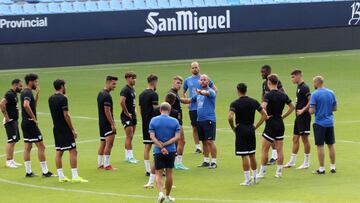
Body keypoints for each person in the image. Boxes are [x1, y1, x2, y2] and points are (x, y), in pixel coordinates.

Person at [48, 79, 88, 183]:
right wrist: (73, 130)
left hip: (56, 128)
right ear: (62, 86)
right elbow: (66, 115)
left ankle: (61, 177)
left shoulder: (50, 98)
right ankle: (75, 177)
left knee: (59, 151)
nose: (66, 88)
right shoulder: (63, 98)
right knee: (73, 151)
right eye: (65, 86)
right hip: (65, 128)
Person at [228, 83, 267, 186]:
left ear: (238, 90)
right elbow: (264, 115)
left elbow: (230, 117)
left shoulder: (235, 103)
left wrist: (233, 127)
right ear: (246, 90)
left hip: (241, 130)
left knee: (244, 155)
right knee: (252, 154)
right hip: (251, 129)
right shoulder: (253, 102)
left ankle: (247, 180)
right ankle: (255, 178)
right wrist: (255, 126)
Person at [258, 74, 295, 178]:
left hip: (271, 124)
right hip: (280, 123)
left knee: (264, 149)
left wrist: (266, 116)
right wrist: (283, 116)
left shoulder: (268, 95)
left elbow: (262, 107)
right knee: (280, 149)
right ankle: (279, 172)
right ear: (277, 83)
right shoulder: (283, 95)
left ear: (269, 83)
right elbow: (292, 107)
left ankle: (262, 172)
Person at [144, 92, 180, 189]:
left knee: (156, 163)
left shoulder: (156, 110)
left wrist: (158, 142)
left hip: (157, 141)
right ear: (173, 102)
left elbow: (152, 125)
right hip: (170, 143)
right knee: (169, 168)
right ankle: (168, 185)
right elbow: (177, 131)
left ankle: (151, 182)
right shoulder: (175, 113)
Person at [20, 73, 53, 177]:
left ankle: (28, 172)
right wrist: (34, 119)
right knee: (41, 147)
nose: (36, 83)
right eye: (36, 81)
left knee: (27, 147)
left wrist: (37, 95)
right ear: (31, 82)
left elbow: (32, 106)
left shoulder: (25, 92)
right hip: (30, 123)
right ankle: (45, 171)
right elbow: (26, 105)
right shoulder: (27, 92)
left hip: (25, 123)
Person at [182, 74, 218, 169]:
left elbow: (206, 93)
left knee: (210, 141)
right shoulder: (197, 95)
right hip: (200, 120)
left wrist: (200, 92)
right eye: (201, 80)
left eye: (205, 80)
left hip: (209, 120)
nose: (202, 81)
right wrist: (177, 99)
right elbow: (189, 100)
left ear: (208, 81)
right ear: (199, 82)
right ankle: (206, 161)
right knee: (204, 142)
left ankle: (214, 162)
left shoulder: (211, 91)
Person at [149, 102, 180, 203]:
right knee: (169, 173)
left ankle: (160, 193)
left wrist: (161, 146)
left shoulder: (153, 120)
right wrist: (166, 144)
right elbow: (177, 137)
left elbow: (152, 137)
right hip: (171, 150)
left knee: (158, 173)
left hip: (158, 151)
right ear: (170, 110)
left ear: (160, 110)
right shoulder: (175, 121)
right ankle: (168, 196)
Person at [309, 76, 337, 174]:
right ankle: (333, 167)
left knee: (320, 146)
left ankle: (321, 168)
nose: (313, 84)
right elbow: (335, 108)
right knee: (331, 145)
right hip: (330, 122)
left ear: (317, 83)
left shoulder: (315, 94)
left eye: (313, 83)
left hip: (319, 123)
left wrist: (306, 112)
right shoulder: (331, 92)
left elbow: (312, 110)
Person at [285, 70, 312, 169]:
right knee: (295, 138)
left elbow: (311, 99)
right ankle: (292, 161)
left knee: (305, 139)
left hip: (304, 117)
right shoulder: (299, 87)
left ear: (298, 76)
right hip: (298, 117)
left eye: (293, 77)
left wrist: (303, 110)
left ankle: (306, 162)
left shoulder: (305, 87)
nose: (292, 79)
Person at [260, 65, 286, 165]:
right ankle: (274, 157)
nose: (261, 74)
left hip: (275, 113)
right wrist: (263, 110)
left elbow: (283, 94)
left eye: (263, 72)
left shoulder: (276, 82)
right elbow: (263, 96)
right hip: (267, 113)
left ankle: (274, 157)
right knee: (271, 137)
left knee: (271, 137)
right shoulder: (264, 84)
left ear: (268, 72)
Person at [139, 74, 159, 177]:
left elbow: (140, 110)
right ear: (154, 82)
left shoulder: (141, 94)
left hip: (145, 123)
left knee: (147, 146)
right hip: (154, 124)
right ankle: (158, 169)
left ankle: (147, 170)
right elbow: (155, 109)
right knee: (158, 146)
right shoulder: (153, 94)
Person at [0, 79, 23, 168]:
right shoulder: (9, 94)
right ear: (15, 85)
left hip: (14, 120)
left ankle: (12, 160)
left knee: (14, 141)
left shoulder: (14, 94)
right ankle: (8, 161)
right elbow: (2, 104)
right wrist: (6, 117)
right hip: (10, 121)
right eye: (20, 86)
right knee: (11, 140)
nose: (21, 88)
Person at [97, 76, 118, 170]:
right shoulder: (107, 96)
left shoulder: (100, 93)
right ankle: (107, 165)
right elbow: (107, 111)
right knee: (109, 144)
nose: (115, 86)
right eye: (113, 84)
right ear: (108, 82)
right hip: (107, 123)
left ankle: (100, 163)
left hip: (101, 122)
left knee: (102, 143)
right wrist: (112, 124)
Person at [169, 76, 188, 170]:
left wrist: (192, 99)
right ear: (173, 83)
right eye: (177, 83)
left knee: (175, 143)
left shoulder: (175, 93)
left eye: (180, 83)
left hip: (176, 121)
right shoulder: (171, 94)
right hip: (175, 121)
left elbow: (180, 100)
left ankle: (174, 163)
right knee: (182, 141)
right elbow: (167, 106)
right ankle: (179, 163)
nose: (179, 85)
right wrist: (177, 113)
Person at [120, 71, 138, 164]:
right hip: (126, 116)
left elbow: (132, 103)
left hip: (133, 115)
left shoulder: (132, 89)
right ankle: (129, 157)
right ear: (127, 78)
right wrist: (127, 113)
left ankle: (129, 156)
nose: (134, 80)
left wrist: (134, 112)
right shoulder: (125, 90)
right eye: (132, 78)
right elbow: (121, 102)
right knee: (129, 136)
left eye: (135, 78)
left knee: (131, 137)